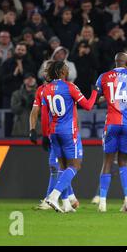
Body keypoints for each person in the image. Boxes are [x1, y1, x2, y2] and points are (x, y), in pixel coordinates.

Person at [38, 61, 99, 213]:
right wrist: (95, 92)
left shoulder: (45, 89)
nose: (68, 69)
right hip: (68, 132)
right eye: (66, 67)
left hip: (53, 132)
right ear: (61, 71)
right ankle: (53, 196)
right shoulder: (70, 86)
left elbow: (44, 116)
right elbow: (88, 105)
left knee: (63, 166)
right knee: (75, 165)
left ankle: (66, 203)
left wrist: (45, 134)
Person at [95, 52, 127, 213]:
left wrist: (107, 98)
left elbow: (97, 98)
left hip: (112, 122)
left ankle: (102, 202)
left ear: (115, 62)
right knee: (123, 161)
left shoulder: (103, 76)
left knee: (107, 161)